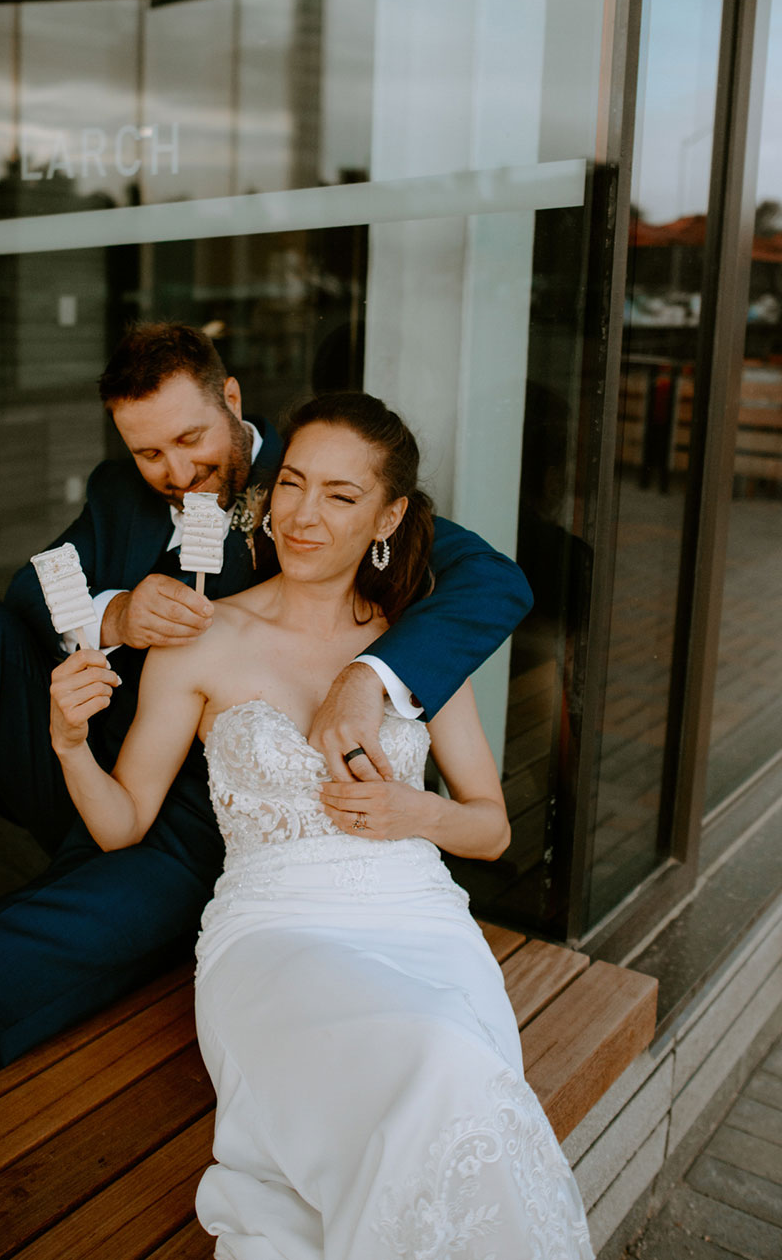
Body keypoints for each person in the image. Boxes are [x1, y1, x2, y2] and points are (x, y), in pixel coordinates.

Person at [0, 325, 531, 1183]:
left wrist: (369, 677)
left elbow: (494, 584)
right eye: (148, 452)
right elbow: (35, 585)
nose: (175, 472)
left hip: (199, 832)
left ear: (234, 405)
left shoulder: (325, 477)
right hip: (97, 763)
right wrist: (115, 614)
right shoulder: (125, 490)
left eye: (190, 441)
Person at [50, 391, 593, 1260]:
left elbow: (492, 833)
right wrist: (71, 743)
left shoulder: (414, 646)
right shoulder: (201, 638)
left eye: (340, 496)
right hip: (278, 933)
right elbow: (123, 823)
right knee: (438, 1063)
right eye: (293, 484)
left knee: (450, 1061)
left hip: (423, 925)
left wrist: (416, 813)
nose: (304, 515)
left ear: (389, 516)